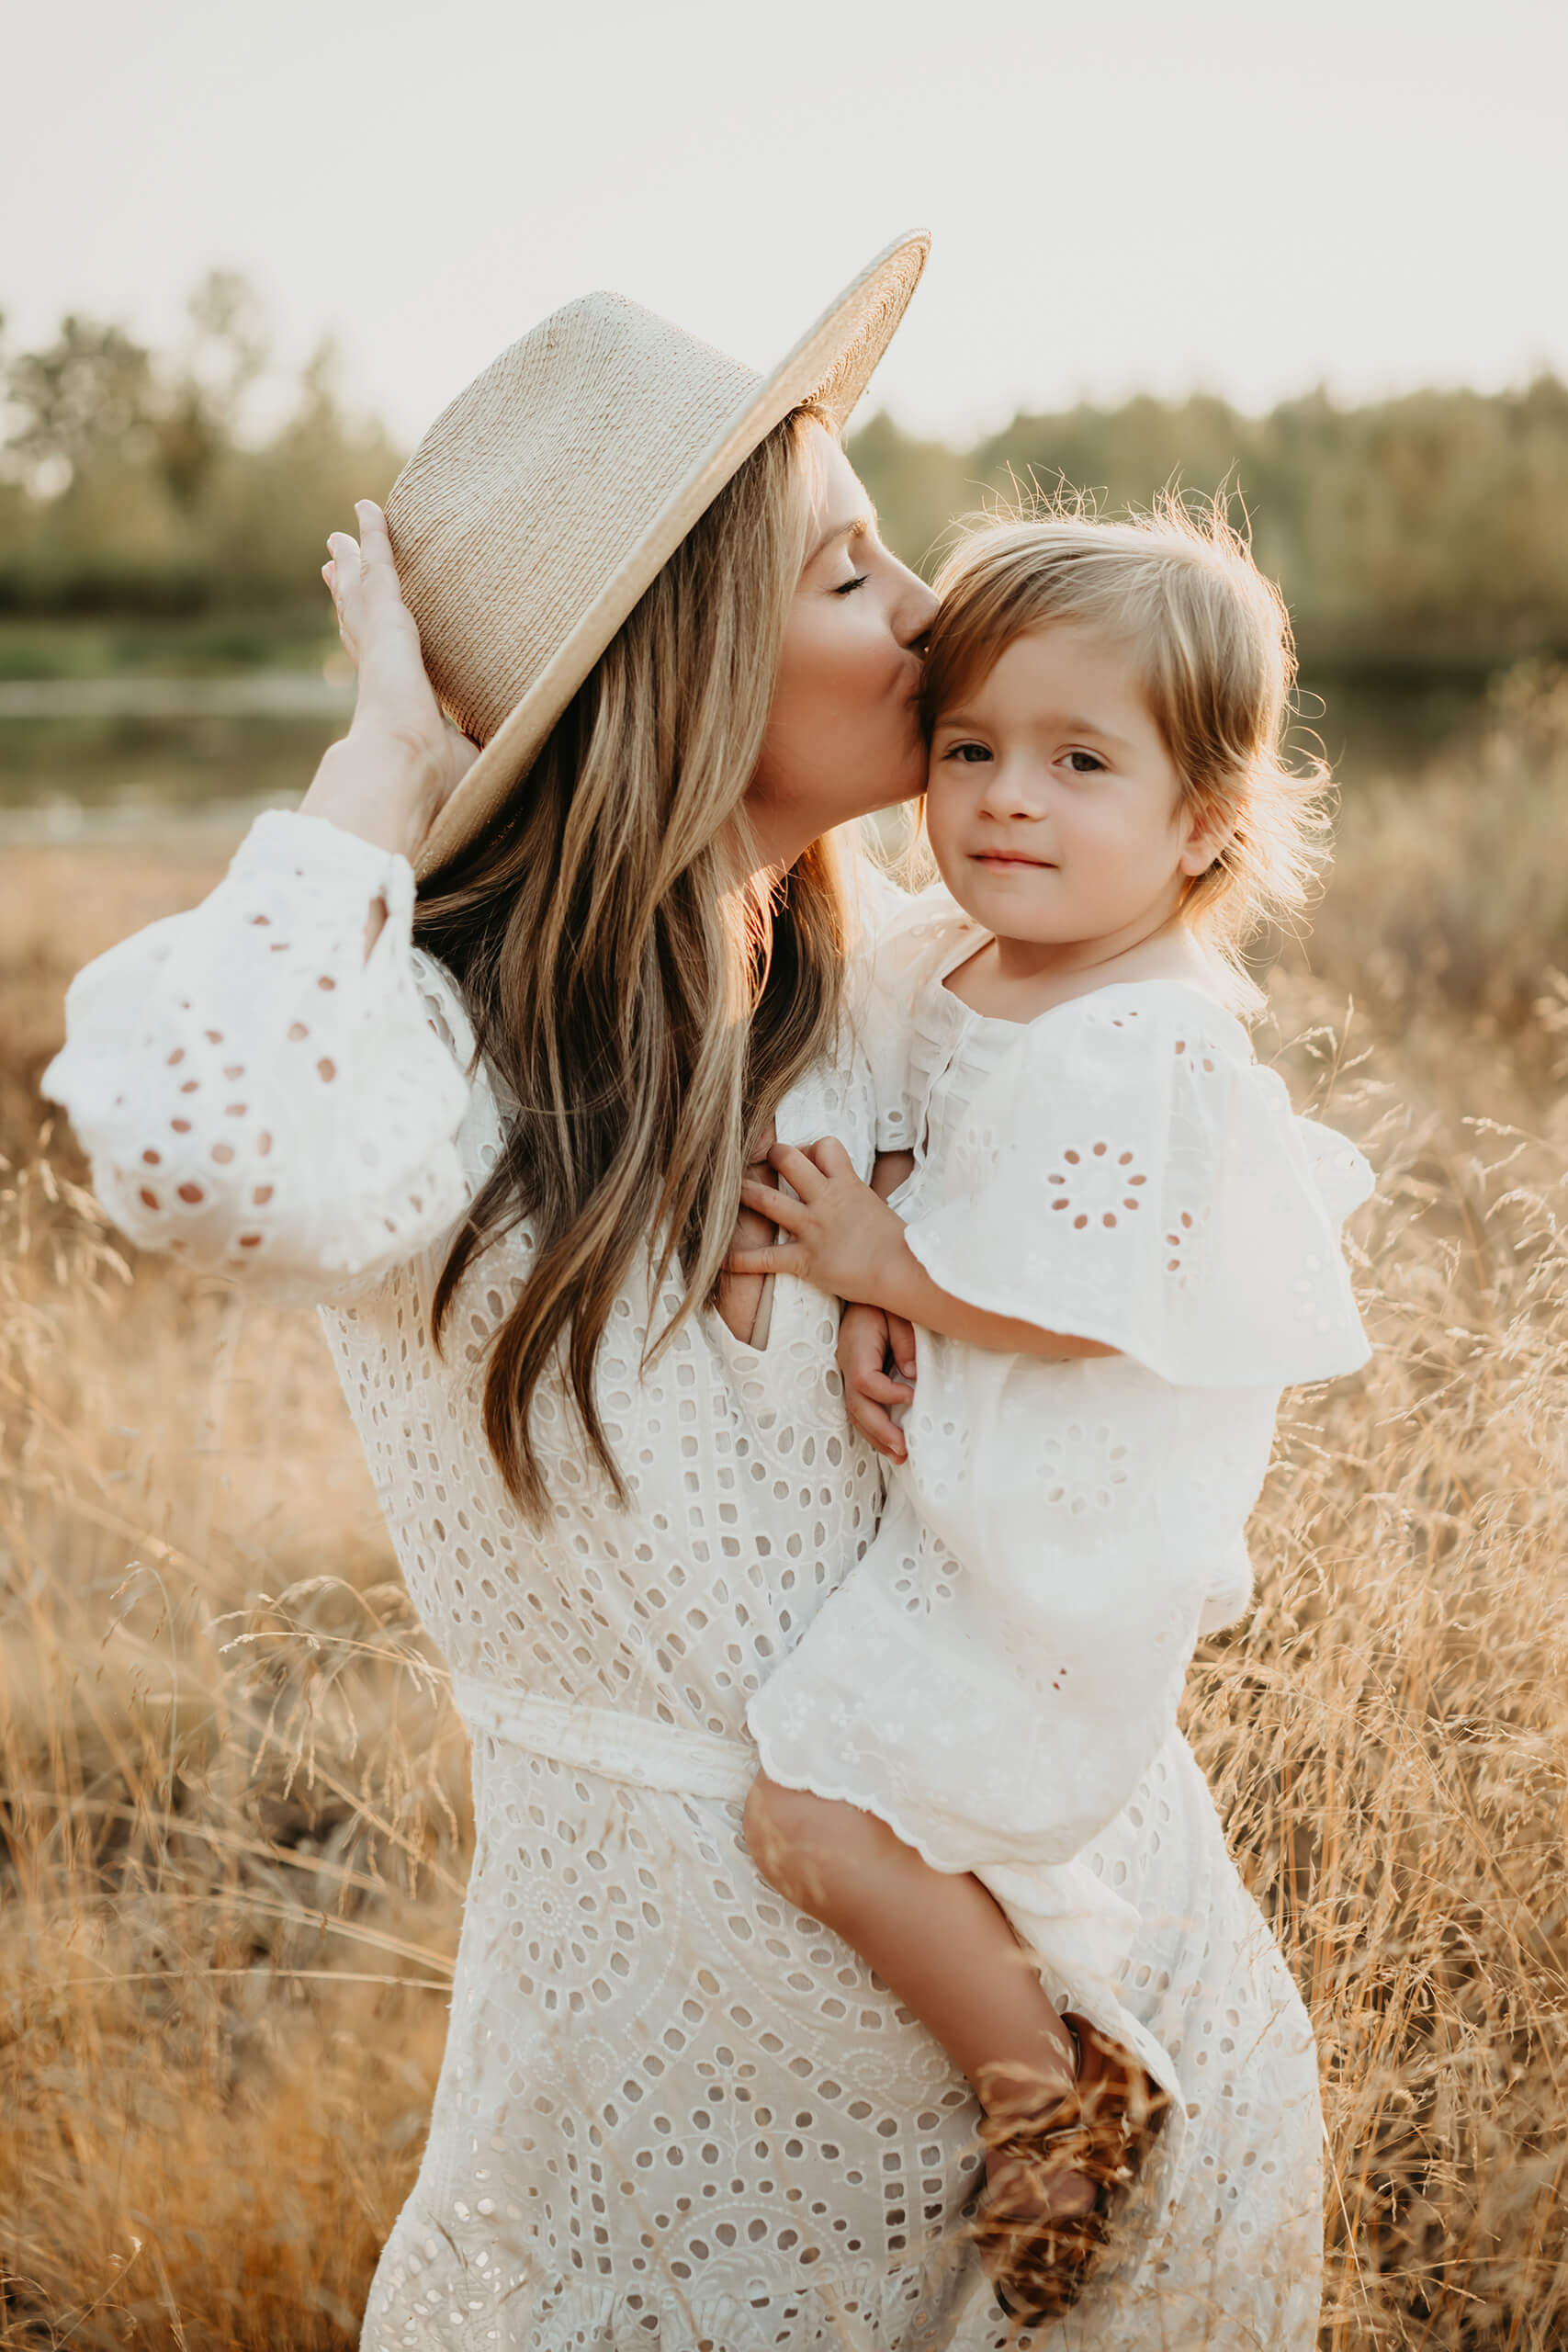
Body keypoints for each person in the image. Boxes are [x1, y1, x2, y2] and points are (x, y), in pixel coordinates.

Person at [39, 233, 1334, 2349]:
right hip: (680, 2109)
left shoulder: (888, 986)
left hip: (1112, 2007)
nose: (925, 614)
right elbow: (189, 1140)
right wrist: (388, 759)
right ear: (675, 663)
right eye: (844, 575)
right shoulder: (454, 1076)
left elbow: (1162, 1146)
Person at [735, 507, 1373, 2335]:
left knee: (813, 1811)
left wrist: (895, 1268)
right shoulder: (960, 956)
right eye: (967, 749)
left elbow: (1092, 1288)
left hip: (1065, 1516)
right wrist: (872, 1232)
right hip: (979, 1485)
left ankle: (1055, 2085)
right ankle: (1049, 2030)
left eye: (1076, 762)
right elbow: (902, 1100)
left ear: (1198, 824)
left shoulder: (1139, 1036)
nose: (1004, 799)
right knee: (871, 1802)